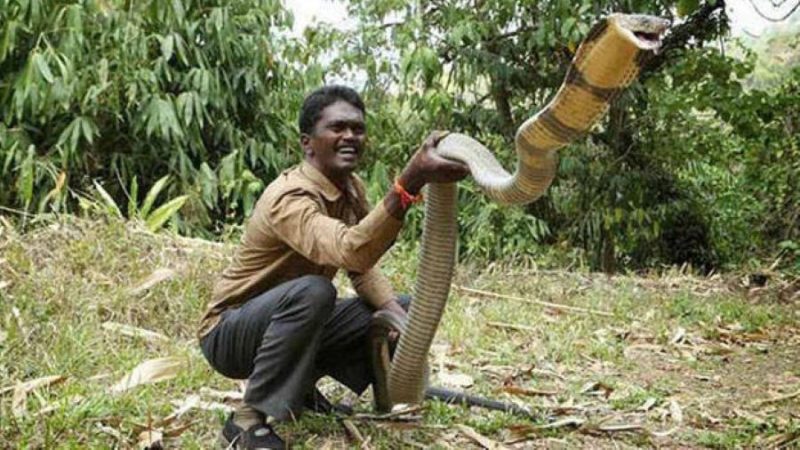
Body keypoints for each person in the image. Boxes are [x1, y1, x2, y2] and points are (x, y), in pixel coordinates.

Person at [198, 85, 470, 449]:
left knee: (400, 308)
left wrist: (393, 314)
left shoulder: (350, 188)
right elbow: (351, 251)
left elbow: (363, 267)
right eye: (337, 128)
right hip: (231, 333)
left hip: (288, 322)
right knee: (314, 291)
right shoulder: (290, 197)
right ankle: (247, 420)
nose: (350, 137)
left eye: (357, 129)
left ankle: (313, 392)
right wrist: (409, 182)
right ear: (307, 142)